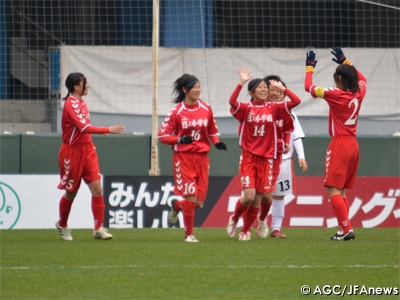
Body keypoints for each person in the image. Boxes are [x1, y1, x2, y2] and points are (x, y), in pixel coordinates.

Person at [226, 68, 301, 241]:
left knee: (262, 198)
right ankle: (235, 218)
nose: (264, 89)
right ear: (251, 92)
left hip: (269, 159)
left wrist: (284, 88)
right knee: (249, 197)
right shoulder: (246, 108)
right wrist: (241, 82)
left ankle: (246, 229)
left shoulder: (275, 108)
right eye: (259, 87)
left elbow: (296, 101)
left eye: (265, 87)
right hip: (249, 158)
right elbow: (232, 101)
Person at [304, 47, 367, 241]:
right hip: (353, 145)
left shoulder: (335, 94)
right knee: (341, 191)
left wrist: (309, 67)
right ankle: (343, 229)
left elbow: (309, 87)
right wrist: (345, 61)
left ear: (339, 80)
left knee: (332, 189)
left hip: (339, 143)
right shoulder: (359, 92)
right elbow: (362, 78)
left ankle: (346, 229)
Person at [56, 72, 125, 241]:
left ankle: (98, 228)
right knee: (71, 192)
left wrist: (97, 134)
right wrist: (107, 130)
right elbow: (84, 127)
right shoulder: (70, 105)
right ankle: (62, 224)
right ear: (76, 87)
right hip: (72, 153)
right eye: (85, 83)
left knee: (97, 189)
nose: (88, 86)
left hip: (88, 149)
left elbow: (85, 130)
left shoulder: (81, 102)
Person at [158, 74, 227, 243]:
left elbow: (211, 130)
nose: (198, 90)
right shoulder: (176, 112)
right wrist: (179, 139)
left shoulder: (206, 108)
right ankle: (189, 234)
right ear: (184, 90)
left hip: (202, 159)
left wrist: (216, 143)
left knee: (198, 203)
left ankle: (176, 206)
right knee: (191, 197)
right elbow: (162, 135)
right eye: (194, 87)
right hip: (183, 158)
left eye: (199, 86)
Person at [261, 75, 308, 238]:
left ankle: (276, 228)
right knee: (259, 193)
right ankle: (257, 223)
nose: (275, 94)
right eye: (271, 89)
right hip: (263, 158)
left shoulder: (290, 114)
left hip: (284, 160)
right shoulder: (258, 111)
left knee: (279, 194)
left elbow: (295, 136)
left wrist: (301, 156)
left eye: (278, 91)